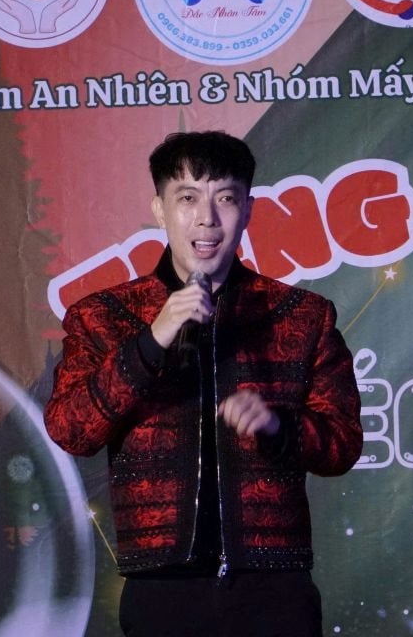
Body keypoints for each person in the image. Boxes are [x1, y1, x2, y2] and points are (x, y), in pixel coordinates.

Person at [44, 131, 363, 637]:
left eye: (226, 198)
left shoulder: (301, 315)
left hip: (274, 588)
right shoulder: (103, 317)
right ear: (160, 209)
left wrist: (278, 426)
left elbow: (343, 445)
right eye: (188, 198)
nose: (207, 218)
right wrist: (152, 340)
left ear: (248, 209)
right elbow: (70, 429)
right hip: (162, 588)